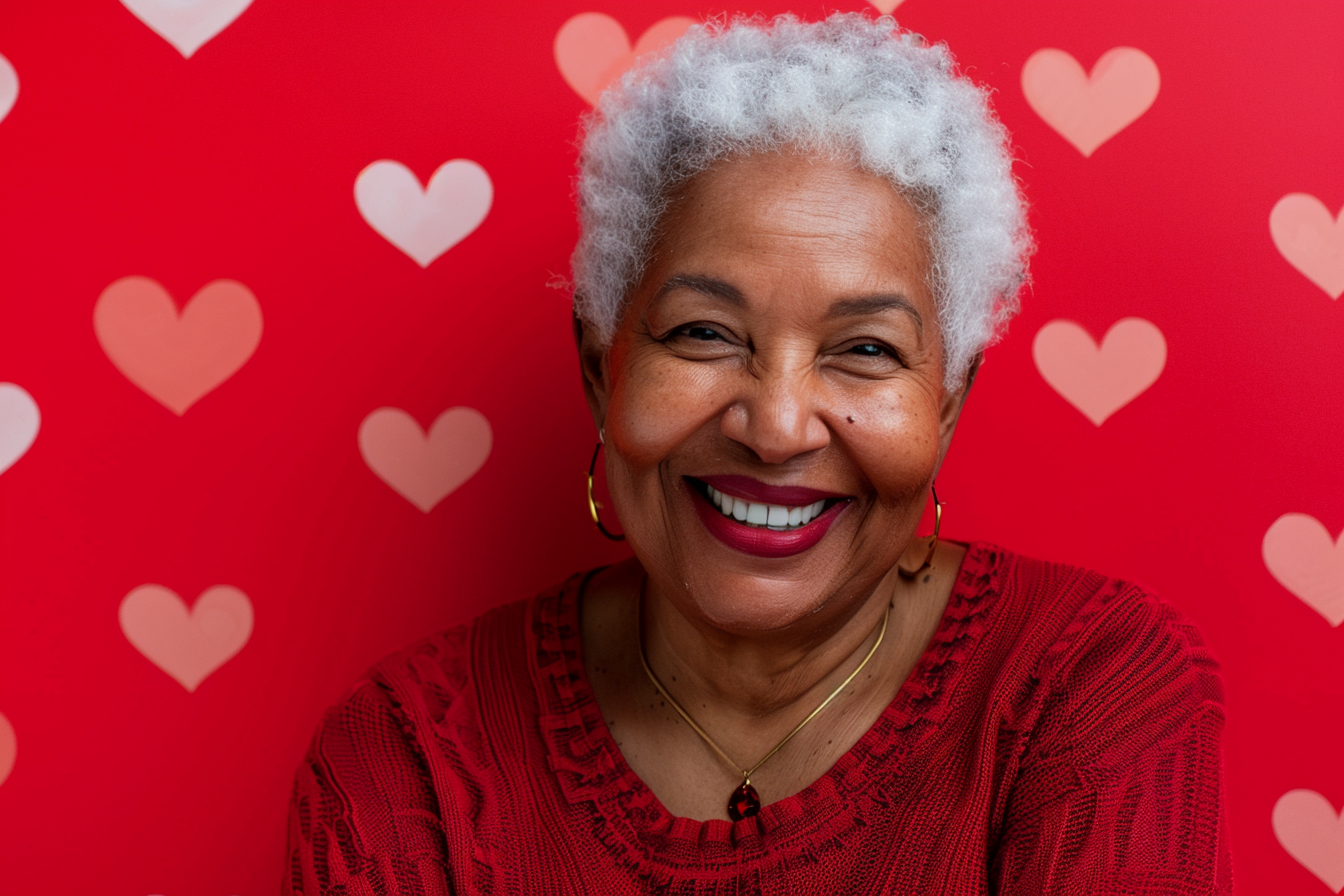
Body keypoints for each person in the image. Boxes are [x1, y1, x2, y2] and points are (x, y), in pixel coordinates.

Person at [286, 13, 1232, 894]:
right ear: (601, 368)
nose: (776, 428)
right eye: (704, 332)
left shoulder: (1090, 692)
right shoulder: (407, 758)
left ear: (946, 406)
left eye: (866, 350)